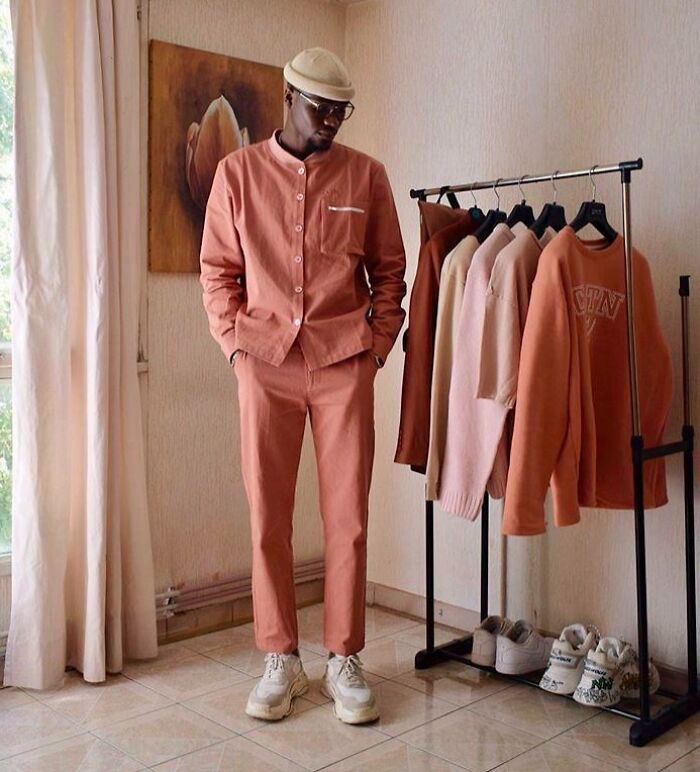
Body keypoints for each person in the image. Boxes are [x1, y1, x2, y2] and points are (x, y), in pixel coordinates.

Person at [199, 46, 407, 724]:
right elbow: (217, 273)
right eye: (322, 109)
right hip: (264, 363)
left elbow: (389, 274)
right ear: (288, 96)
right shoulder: (236, 174)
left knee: (347, 518)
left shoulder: (367, 177)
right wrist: (236, 348)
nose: (332, 123)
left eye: (342, 112)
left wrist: (374, 350)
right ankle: (280, 658)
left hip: (344, 362)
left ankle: (343, 658)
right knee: (270, 517)